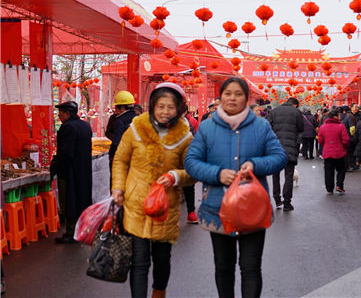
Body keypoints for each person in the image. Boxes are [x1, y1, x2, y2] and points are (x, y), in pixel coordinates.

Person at [184, 77, 286, 298]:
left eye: (238, 94)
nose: (232, 98)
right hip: (217, 209)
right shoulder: (207, 127)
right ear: (220, 97)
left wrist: (256, 165)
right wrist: (217, 173)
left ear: (247, 98)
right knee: (223, 267)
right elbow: (191, 162)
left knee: (250, 267)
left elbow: (279, 157)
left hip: (253, 210)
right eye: (228, 93)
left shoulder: (261, 126)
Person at [111, 82, 195, 298]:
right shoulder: (135, 129)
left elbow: (193, 171)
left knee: (162, 259)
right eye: (160, 106)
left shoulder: (185, 136)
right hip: (135, 204)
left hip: (164, 210)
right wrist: (118, 188)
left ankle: (159, 293)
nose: (165, 111)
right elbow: (120, 160)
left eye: (170, 107)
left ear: (178, 109)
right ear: (152, 106)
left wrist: (175, 176)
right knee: (139, 262)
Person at [50, 101, 93, 244]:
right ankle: (82, 230)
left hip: (70, 171)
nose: (59, 116)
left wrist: (55, 166)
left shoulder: (67, 127)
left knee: (69, 200)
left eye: (61, 113)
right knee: (82, 198)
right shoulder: (85, 125)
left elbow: (65, 152)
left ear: (68, 113)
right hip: (84, 169)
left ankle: (71, 232)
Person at [268, 97, 304, 211]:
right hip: (290, 147)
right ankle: (287, 203)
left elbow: (267, 128)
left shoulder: (274, 111)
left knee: (275, 175)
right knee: (289, 176)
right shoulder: (297, 112)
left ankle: (277, 200)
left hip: (275, 148)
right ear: (295, 105)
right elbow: (301, 128)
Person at [317, 109, 349, 194]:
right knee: (341, 169)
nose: (340, 117)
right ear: (335, 116)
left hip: (327, 152)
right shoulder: (341, 126)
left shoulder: (323, 127)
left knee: (328, 171)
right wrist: (345, 147)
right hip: (339, 152)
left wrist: (326, 145)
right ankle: (339, 185)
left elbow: (320, 140)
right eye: (339, 115)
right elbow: (346, 140)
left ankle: (329, 189)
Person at [108, 91, 137, 175]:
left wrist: (111, 154)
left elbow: (116, 142)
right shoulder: (139, 119)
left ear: (122, 108)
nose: (116, 111)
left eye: (117, 108)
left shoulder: (120, 121)